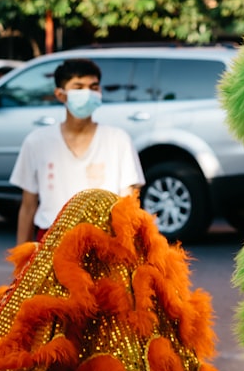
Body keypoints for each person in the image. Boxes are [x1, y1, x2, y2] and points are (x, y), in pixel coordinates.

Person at [9, 57, 144, 244]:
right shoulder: (37, 142)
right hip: (51, 241)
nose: (87, 93)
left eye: (94, 87)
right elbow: (28, 206)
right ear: (60, 94)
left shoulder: (118, 140)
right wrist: (21, 261)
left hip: (104, 243)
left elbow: (130, 203)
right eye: (78, 88)